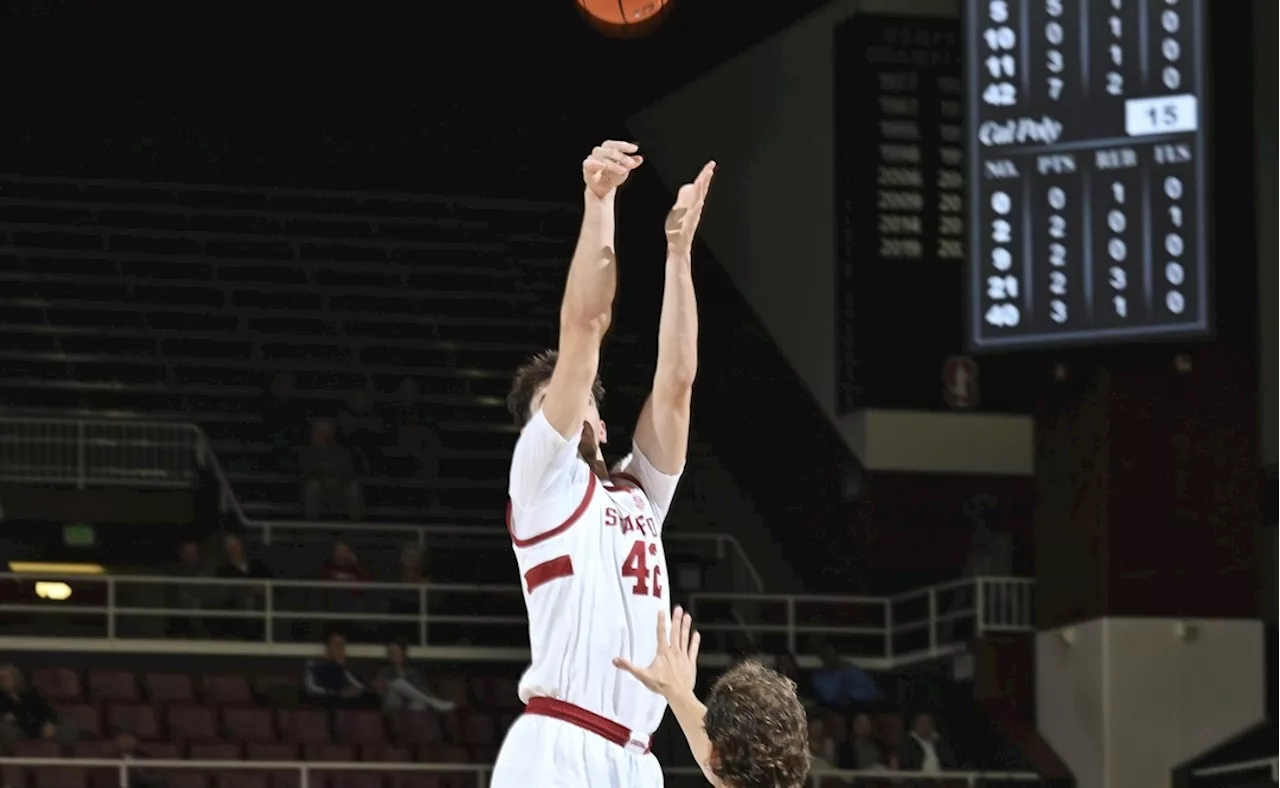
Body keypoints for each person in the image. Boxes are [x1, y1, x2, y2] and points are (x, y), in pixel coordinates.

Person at [488, 140, 715, 788]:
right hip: (558, 743)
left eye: (573, 403)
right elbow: (585, 326)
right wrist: (599, 200)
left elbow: (676, 382)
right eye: (546, 408)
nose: (559, 415)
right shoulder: (539, 483)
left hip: (637, 757)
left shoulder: (637, 492)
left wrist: (678, 254)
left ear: (602, 422)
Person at [614, 607, 810, 788]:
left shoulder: (718, 759)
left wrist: (676, 690)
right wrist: (677, 691)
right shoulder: (774, 774)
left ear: (715, 756)